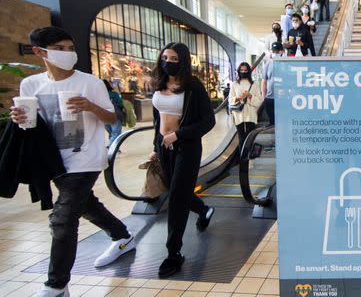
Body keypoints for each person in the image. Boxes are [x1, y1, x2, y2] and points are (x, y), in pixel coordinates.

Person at [10, 27, 135, 297]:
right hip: (53, 160)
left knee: (63, 218)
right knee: (84, 205)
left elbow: (112, 119)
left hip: (86, 159)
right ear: (39, 52)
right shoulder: (31, 85)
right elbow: (31, 125)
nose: (68, 53)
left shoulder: (89, 82)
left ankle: (56, 285)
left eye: (70, 48)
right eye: (60, 49)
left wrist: (90, 106)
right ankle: (122, 236)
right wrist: (20, 120)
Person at [149, 42, 216, 278]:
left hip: (186, 146)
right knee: (177, 190)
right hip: (164, 146)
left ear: (184, 61)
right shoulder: (158, 84)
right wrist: (155, 147)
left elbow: (208, 121)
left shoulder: (193, 87)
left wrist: (179, 134)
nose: (168, 62)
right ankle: (204, 209)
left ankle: (173, 253)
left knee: (177, 196)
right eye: (165, 57)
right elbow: (158, 119)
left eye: (174, 58)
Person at [229, 62, 262, 149]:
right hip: (238, 114)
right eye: (241, 70)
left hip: (250, 115)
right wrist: (237, 98)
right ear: (239, 71)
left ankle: (248, 160)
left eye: (245, 70)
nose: (243, 72)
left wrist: (249, 95)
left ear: (249, 71)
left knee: (249, 139)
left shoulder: (255, 85)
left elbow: (259, 101)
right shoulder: (234, 84)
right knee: (241, 139)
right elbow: (230, 100)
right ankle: (242, 161)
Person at [262, 42, 283, 125]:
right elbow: (264, 81)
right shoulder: (268, 63)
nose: (275, 53)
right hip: (270, 98)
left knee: (282, 123)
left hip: (282, 98)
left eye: (277, 51)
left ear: (282, 52)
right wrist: (264, 97)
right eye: (273, 51)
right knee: (272, 122)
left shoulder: (286, 63)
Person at [103, 79, 123, 148]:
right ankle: (112, 148)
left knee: (111, 133)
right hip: (115, 115)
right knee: (116, 133)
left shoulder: (99, 95)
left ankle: (115, 148)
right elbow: (120, 104)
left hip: (103, 116)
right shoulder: (114, 94)